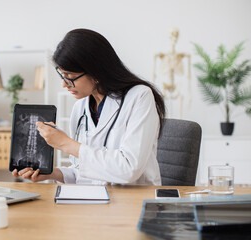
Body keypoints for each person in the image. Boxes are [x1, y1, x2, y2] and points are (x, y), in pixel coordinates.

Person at [12, 29, 165, 185]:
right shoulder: (80, 108)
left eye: (70, 77)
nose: (64, 84)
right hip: (93, 203)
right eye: (62, 76)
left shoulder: (139, 97)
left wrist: (65, 143)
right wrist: (52, 173)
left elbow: (129, 169)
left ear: (96, 72)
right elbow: (82, 171)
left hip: (133, 202)